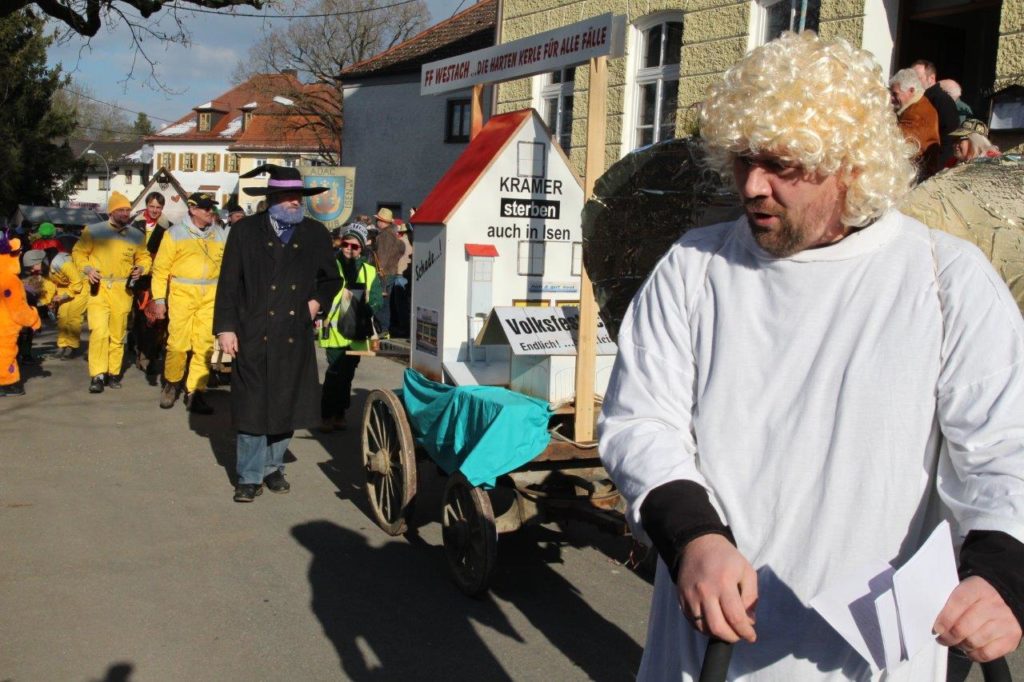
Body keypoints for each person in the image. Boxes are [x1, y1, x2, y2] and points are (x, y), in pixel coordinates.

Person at [599, 31, 1024, 682]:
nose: (754, 186)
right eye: (743, 159)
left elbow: (1002, 453)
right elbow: (641, 422)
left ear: (851, 163)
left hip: (878, 662)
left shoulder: (946, 281)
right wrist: (695, 537)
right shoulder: (694, 267)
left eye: (784, 164)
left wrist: (996, 577)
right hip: (709, 652)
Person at [213, 164, 341, 503]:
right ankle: (249, 476)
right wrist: (225, 328)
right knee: (253, 405)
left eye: (298, 196)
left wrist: (316, 302)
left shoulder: (314, 233)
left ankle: (273, 467)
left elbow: (332, 279)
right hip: (252, 330)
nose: (295, 202)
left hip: (293, 331)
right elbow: (228, 283)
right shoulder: (245, 232)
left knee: (287, 403)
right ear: (271, 199)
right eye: (287, 196)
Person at [149, 193, 229, 414]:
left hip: (210, 297)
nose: (210, 212)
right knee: (177, 344)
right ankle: (172, 384)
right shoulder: (174, 234)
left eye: (211, 208)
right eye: (205, 209)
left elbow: (227, 268)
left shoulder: (219, 234)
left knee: (204, 345)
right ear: (193, 210)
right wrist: (159, 300)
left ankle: (196, 391)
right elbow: (160, 269)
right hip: (182, 295)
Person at [72, 191, 151, 394]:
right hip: (99, 289)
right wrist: (88, 269)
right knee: (99, 332)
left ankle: (113, 373)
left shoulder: (136, 235)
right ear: (112, 211)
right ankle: (97, 375)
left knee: (118, 334)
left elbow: (144, 258)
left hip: (123, 290)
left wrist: (141, 268)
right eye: (122, 210)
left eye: (128, 210)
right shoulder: (93, 231)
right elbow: (78, 253)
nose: (126, 213)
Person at [318, 224, 382, 432]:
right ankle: (327, 414)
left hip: (357, 331)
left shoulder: (370, 271)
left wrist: (367, 309)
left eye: (354, 246)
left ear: (361, 248)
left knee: (347, 375)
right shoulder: (330, 265)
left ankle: (340, 412)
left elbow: (376, 301)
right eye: (346, 244)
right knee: (334, 373)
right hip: (334, 330)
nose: (349, 249)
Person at [130, 191, 173, 377]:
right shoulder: (134, 225)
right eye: (152, 206)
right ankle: (138, 349)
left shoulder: (168, 228)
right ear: (146, 206)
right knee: (138, 318)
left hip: (155, 277)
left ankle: (150, 356)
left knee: (154, 320)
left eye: (158, 207)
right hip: (135, 277)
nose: (155, 210)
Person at [0, 241, 41, 397]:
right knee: (5, 353)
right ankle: (7, 383)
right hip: (4, 327)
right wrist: (34, 319)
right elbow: (18, 309)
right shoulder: (10, 280)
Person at [890, 68, 940, 179]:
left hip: (917, 178)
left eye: (895, 94)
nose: (891, 98)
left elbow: (897, 143)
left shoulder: (918, 114)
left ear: (911, 91)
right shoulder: (915, 107)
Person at [911, 60, 961, 166]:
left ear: (931, 78)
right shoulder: (917, 100)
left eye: (917, 78)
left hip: (933, 165)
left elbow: (950, 136)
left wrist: (937, 166)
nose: (913, 83)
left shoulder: (941, 100)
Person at [46, 248, 88, 360]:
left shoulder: (64, 263)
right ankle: (62, 345)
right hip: (64, 287)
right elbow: (51, 283)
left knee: (73, 317)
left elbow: (77, 283)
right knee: (62, 316)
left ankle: (72, 346)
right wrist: (49, 299)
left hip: (81, 288)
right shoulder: (44, 266)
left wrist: (63, 296)